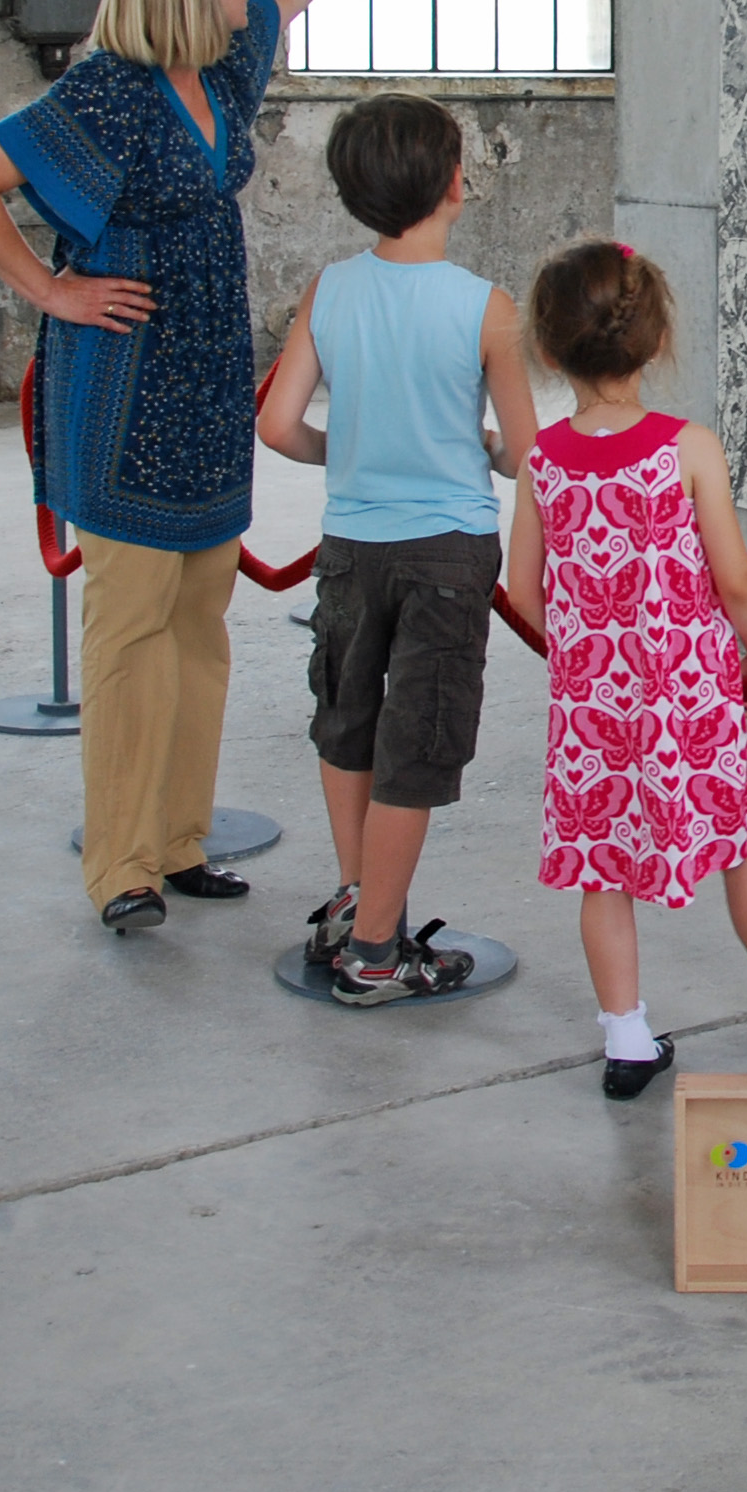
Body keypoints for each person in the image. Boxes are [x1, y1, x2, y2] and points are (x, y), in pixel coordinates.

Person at [0, 0, 408, 935]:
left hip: (206, 378)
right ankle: (121, 866)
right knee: (130, 627)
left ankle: (181, 841)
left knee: (199, 619)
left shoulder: (223, 68)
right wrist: (50, 289)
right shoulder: (105, 94)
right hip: (125, 386)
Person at [507, 237, 747, 1099]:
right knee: (740, 847)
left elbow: (523, 589)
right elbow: (736, 580)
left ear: (547, 349)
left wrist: (587, 657)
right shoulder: (687, 448)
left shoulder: (542, 461)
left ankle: (626, 1039)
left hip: (591, 712)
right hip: (689, 699)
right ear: (655, 342)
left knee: (602, 869)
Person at [256, 94, 540, 1004]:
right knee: (418, 744)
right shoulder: (487, 308)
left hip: (350, 545)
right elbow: (524, 452)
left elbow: (278, 425)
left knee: (347, 721)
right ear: (455, 184)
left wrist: (348, 449)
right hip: (448, 554)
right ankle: (378, 951)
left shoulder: (327, 290)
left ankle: (354, 901)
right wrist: (479, 449)